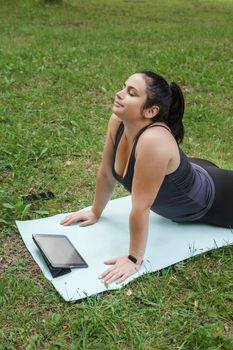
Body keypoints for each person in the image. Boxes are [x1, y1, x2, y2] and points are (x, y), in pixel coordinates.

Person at [60, 71, 233, 285]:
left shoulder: (153, 141)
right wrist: (95, 211)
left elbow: (142, 207)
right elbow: (106, 173)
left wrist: (133, 258)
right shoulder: (118, 121)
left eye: (131, 93)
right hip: (191, 174)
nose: (119, 94)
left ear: (151, 110)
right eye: (123, 87)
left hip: (219, 199)